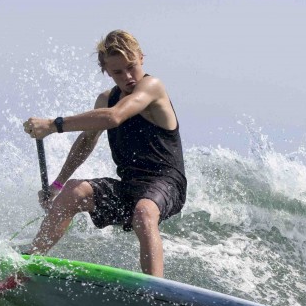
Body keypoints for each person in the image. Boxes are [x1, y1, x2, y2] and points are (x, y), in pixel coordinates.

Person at [22, 30, 186, 278]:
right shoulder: (106, 99)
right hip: (129, 188)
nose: (128, 77)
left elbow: (114, 117)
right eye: (118, 72)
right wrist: (57, 183)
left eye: (132, 67)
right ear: (106, 70)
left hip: (166, 184)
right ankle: (25, 269)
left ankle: (155, 291)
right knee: (74, 192)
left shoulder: (152, 87)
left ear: (141, 58)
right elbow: (87, 141)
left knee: (143, 212)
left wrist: (53, 125)